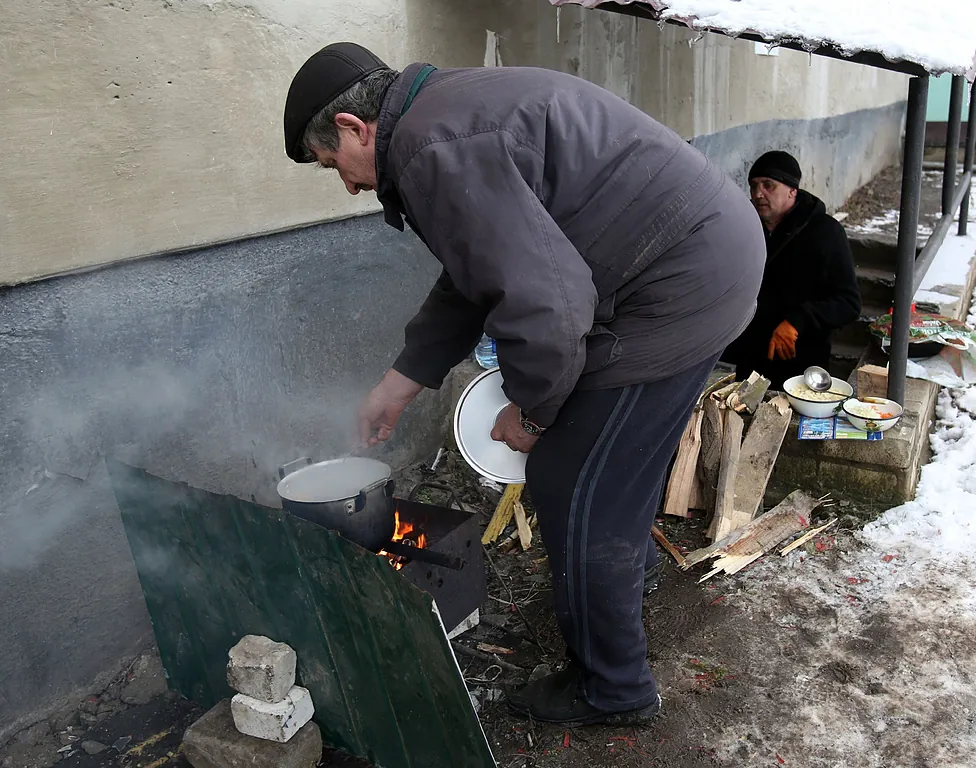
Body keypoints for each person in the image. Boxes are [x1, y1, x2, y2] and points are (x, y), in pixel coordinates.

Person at [283, 43, 764, 726]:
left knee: (571, 477)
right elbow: (478, 270)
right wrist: (402, 380)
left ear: (357, 129)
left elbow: (547, 302)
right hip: (699, 256)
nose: (350, 186)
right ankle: (622, 576)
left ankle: (612, 689)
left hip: (674, 283)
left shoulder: (432, 147)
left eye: (336, 165)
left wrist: (534, 413)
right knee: (613, 459)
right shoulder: (440, 118)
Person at [720, 151, 861, 389]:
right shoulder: (747, 228)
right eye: (753, 185)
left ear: (792, 191)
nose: (758, 193)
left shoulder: (825, 233)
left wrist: (797, 321)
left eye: (768, 185)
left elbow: (848, 303)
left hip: (800, 364)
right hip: (747, 361)